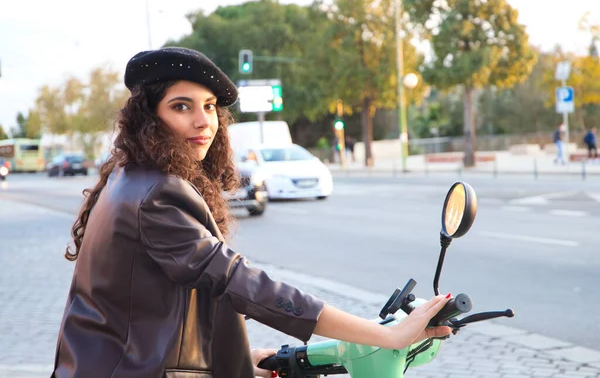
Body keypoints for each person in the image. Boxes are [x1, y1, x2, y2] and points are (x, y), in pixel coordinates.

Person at [51, 47, 452, 378]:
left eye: (209, 106)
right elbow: (239, 282)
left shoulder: (128, 177)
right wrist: (385, 336)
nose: (202, 121)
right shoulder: (158, 193)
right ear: (149, 118)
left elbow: (162, 302)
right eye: (181, 106)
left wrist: (239, 359)